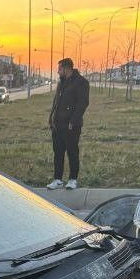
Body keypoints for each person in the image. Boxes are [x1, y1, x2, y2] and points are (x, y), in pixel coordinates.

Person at [46, 57, 90, 190]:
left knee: (72, 152)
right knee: (58, 153)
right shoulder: (62, 82)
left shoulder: (81, 82)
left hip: (71, 125)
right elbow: (56, 102)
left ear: (66, 68)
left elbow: (83, 103)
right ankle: (58, 179)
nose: (58, 72)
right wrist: (51, 118)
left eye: (59, 69)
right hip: (58, 125)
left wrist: (74, 121)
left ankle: (72, 179)